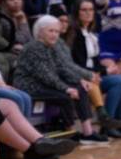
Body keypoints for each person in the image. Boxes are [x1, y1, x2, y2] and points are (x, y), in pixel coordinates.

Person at [13, 16, 110, 145]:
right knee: (66, 95)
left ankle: (88, 133)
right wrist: (66, 88)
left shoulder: (51, 46)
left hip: (44, 84)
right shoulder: (34, 47)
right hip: (30, 86)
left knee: (79, 87)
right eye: (51, 31)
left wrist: (80, 80)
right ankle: (69, 131)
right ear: (40, 32)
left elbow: (62, 68)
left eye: (57, 32)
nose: (55, 35)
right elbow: (45, 75)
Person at [62, 0, 121, 138]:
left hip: (92, 75)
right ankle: (106, 125)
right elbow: (75, 63)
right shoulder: (74, 34)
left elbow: (94, 61)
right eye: (84, 10)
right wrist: (101, 72)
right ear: (77, 13)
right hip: (80, 77)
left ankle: (118, 122)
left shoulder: (91, 34)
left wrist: (107, 69)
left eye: (91, 10)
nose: (88, 13)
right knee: (118, 81)